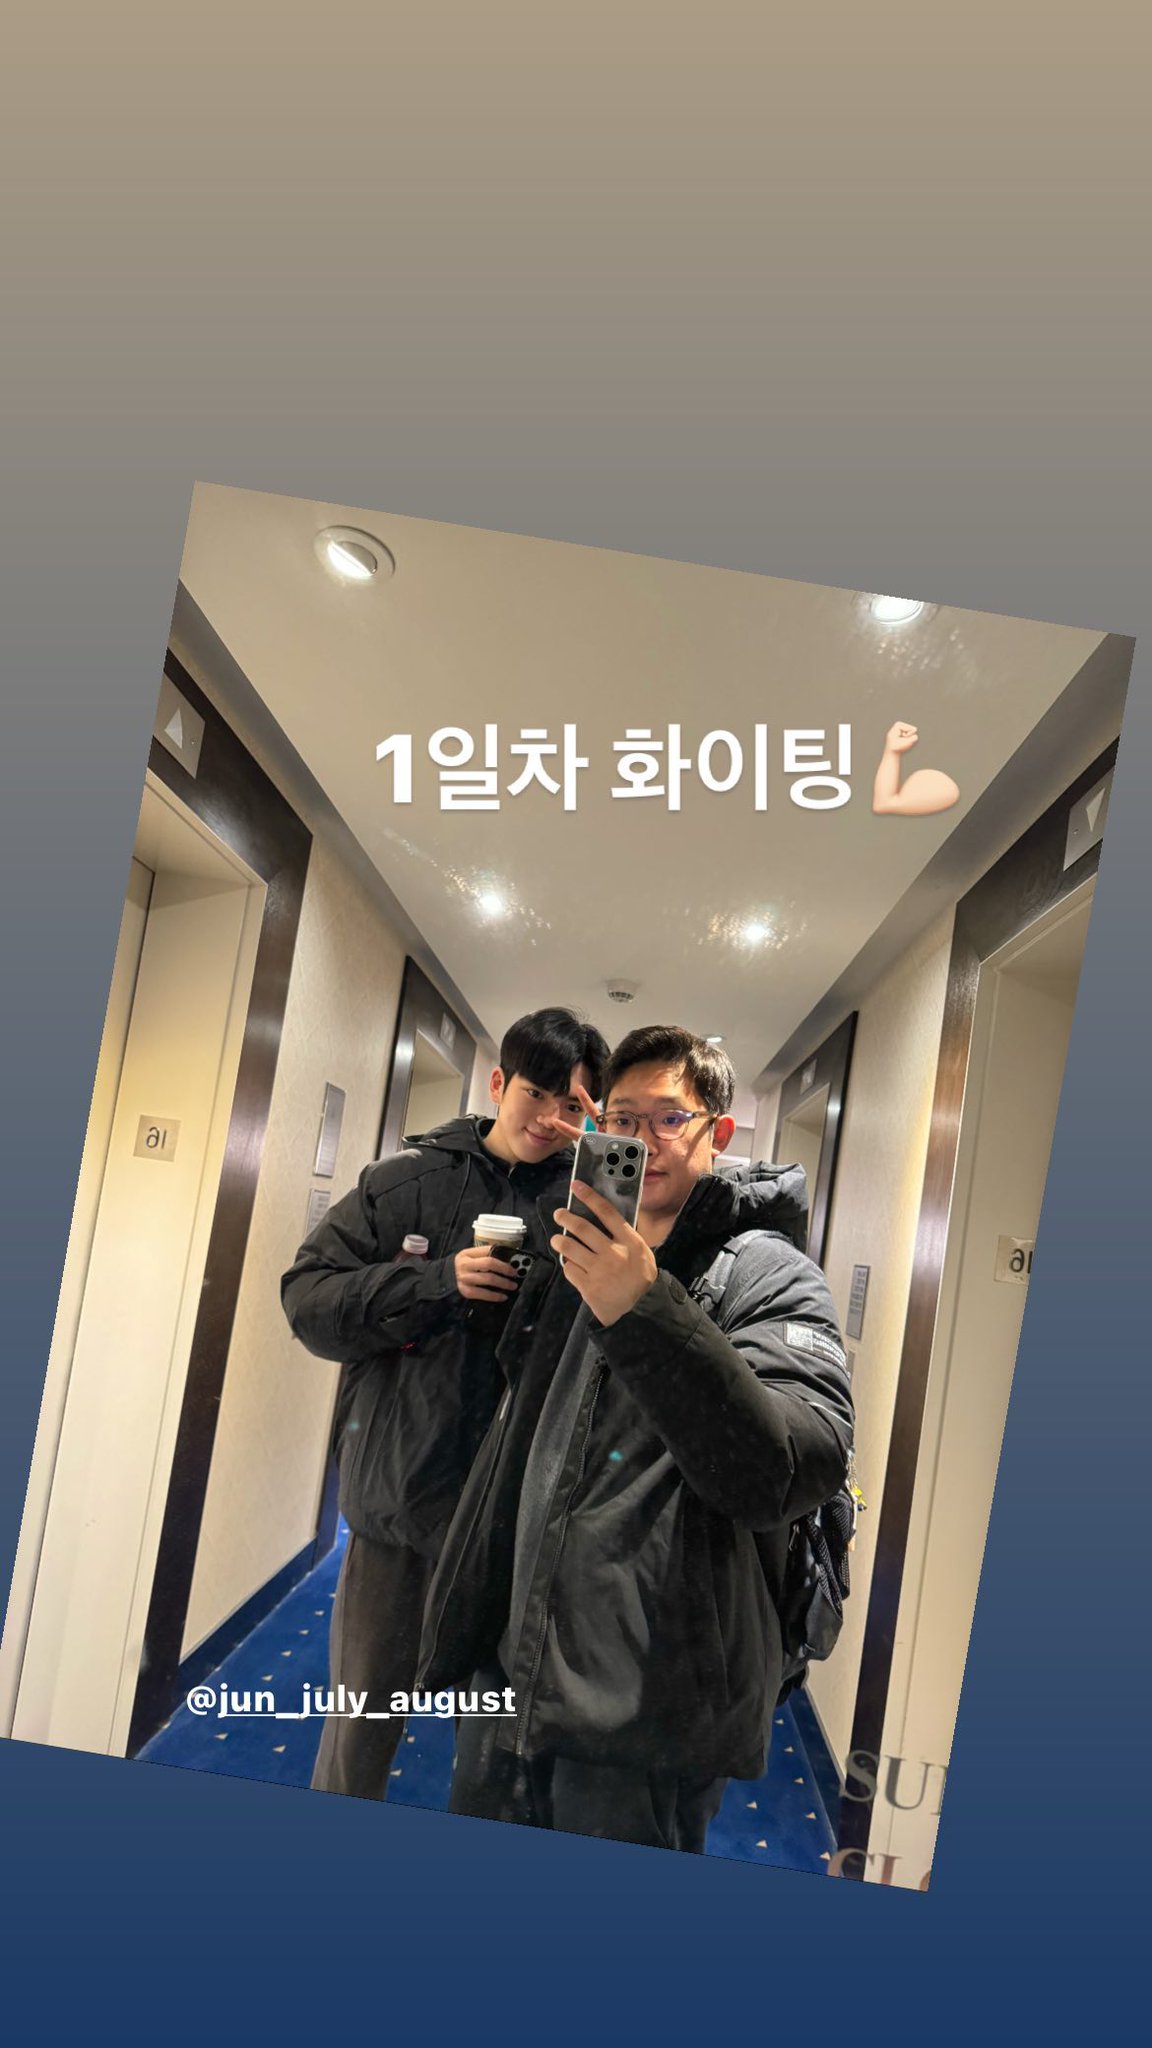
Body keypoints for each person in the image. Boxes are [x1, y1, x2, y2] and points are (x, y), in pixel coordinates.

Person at [418, 1024, 853, 1854]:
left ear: (719, 1131)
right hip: (516, 1666)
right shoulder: (581, 1248)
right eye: (621, 1119)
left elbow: (790, 1469)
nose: (641, 1140)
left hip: (648, 1708)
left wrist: (644, 1307)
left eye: (668, 1118)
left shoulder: (769, 1273)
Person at [281, 1005, 609, 1800]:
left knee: (495, 1755)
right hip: (401, 1503)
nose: (551, 1119)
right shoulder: (405, 1182)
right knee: (360, 1734)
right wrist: (436, 1282)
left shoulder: (593, 1207)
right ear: (499, 1083)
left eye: (573, 1105)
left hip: (515, 1526)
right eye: (537, 1093)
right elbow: (308, 1300)